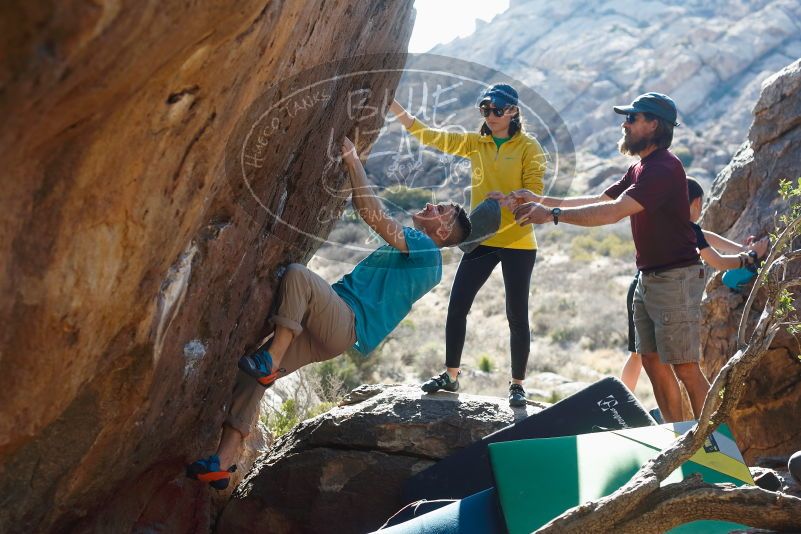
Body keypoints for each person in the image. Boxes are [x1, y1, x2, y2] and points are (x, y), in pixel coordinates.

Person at [186, 137, 471, 489]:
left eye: (439, 208)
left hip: (344, 321)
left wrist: (353, 162)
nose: (431, 205)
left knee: (298, 276)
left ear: (444, 230)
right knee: (250, 380)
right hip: (331, 335)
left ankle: (272, 360)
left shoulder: (428, 251)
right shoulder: (419, 247)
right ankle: (223, 462)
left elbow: (371, 214)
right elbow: (370, 211)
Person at [498, 92, 712, 422]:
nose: (624, 124)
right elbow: (602, 198)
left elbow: (613, 212)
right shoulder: (641, 167)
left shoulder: (665, 168)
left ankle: (717, 450)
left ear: (652, 124)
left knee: (685, 367)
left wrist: (551, 214)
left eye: (632, 118)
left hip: (676, 277)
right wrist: (539, 199)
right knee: (653, 362)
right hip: (650, 277)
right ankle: (681, 441)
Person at [389, 83, 547, 407]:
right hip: (481, 238)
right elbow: (432, 136)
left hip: (519, 240)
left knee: (517, 314)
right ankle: (451, 376)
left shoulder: (529, 147)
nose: (490, 116)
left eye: (497, 110)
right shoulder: (478, 143)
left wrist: (512, 198)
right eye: (485, 110)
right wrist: (394, 108)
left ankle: (517, 385)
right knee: (458, 305)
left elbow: (536, 192)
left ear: (514, 112)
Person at [619, 177, 769, 394]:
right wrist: (750, 257)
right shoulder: (686, 229)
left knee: (639, 354)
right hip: (661, 294)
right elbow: (717, 261)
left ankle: (624, 400)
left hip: (639, 287)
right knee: (672, 362)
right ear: (696, 202)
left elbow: (706, 237)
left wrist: (740, 248)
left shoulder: (666, 222)